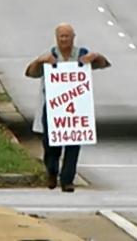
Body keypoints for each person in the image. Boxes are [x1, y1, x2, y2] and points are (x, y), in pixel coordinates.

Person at [25, 23, 111, 192]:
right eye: (61, 36)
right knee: (50, 144)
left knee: (73, 144)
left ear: (73, 37)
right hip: (52, 107)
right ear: (57, 38)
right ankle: (52, 171)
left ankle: (67, 180)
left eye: (67, 36)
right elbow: (30, 73)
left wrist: (95, 57)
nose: (64, 39)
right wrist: (40, 61)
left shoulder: (81, 54)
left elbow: (104, 64)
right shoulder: (50, 56)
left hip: (75, 109)